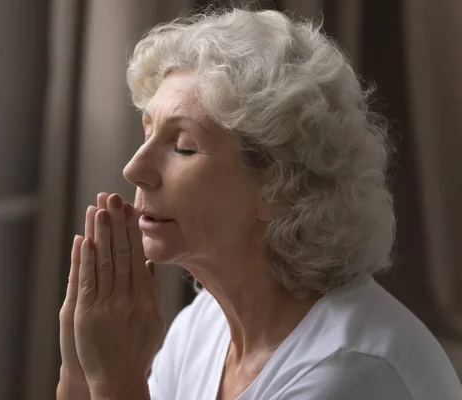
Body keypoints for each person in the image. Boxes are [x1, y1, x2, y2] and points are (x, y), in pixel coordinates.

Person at [56, 8, 462, 400]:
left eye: (183, 146)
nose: (134, 169)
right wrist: (80, 371)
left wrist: (115, 379)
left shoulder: (352, 374)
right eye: (147, 135)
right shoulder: (201, 329)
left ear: (278, 184)